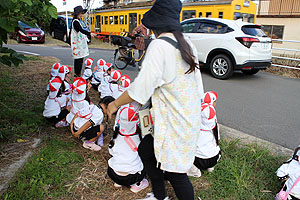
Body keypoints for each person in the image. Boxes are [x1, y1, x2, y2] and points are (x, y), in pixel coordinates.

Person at [107, 0, 204, 199]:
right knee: (146, 150)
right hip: (187, 118)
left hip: (173, 123)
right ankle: (159, 195)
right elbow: (198, 87)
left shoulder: (159, 46)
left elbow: (139, 89)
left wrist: (114, 104)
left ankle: (161, 194)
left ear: (155, 24)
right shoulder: (186, 42)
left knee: (177, 175)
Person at [107, 104, 149, 193]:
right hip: (131, 177)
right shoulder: (140, 137)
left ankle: (118, 182)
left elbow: (111, 151)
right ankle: (136, 185)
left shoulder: (116, 137)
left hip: (113, 173)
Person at [71, 5, 97, 77]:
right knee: (78, 60)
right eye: (81, 13)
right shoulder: (75, 22)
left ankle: (78, 73)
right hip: (77, 44)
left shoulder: (78, 21)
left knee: (80, 59)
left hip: (79, 44)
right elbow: (81, 30)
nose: (82, 15)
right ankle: (77, 74)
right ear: (77, 14)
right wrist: (89, 33)